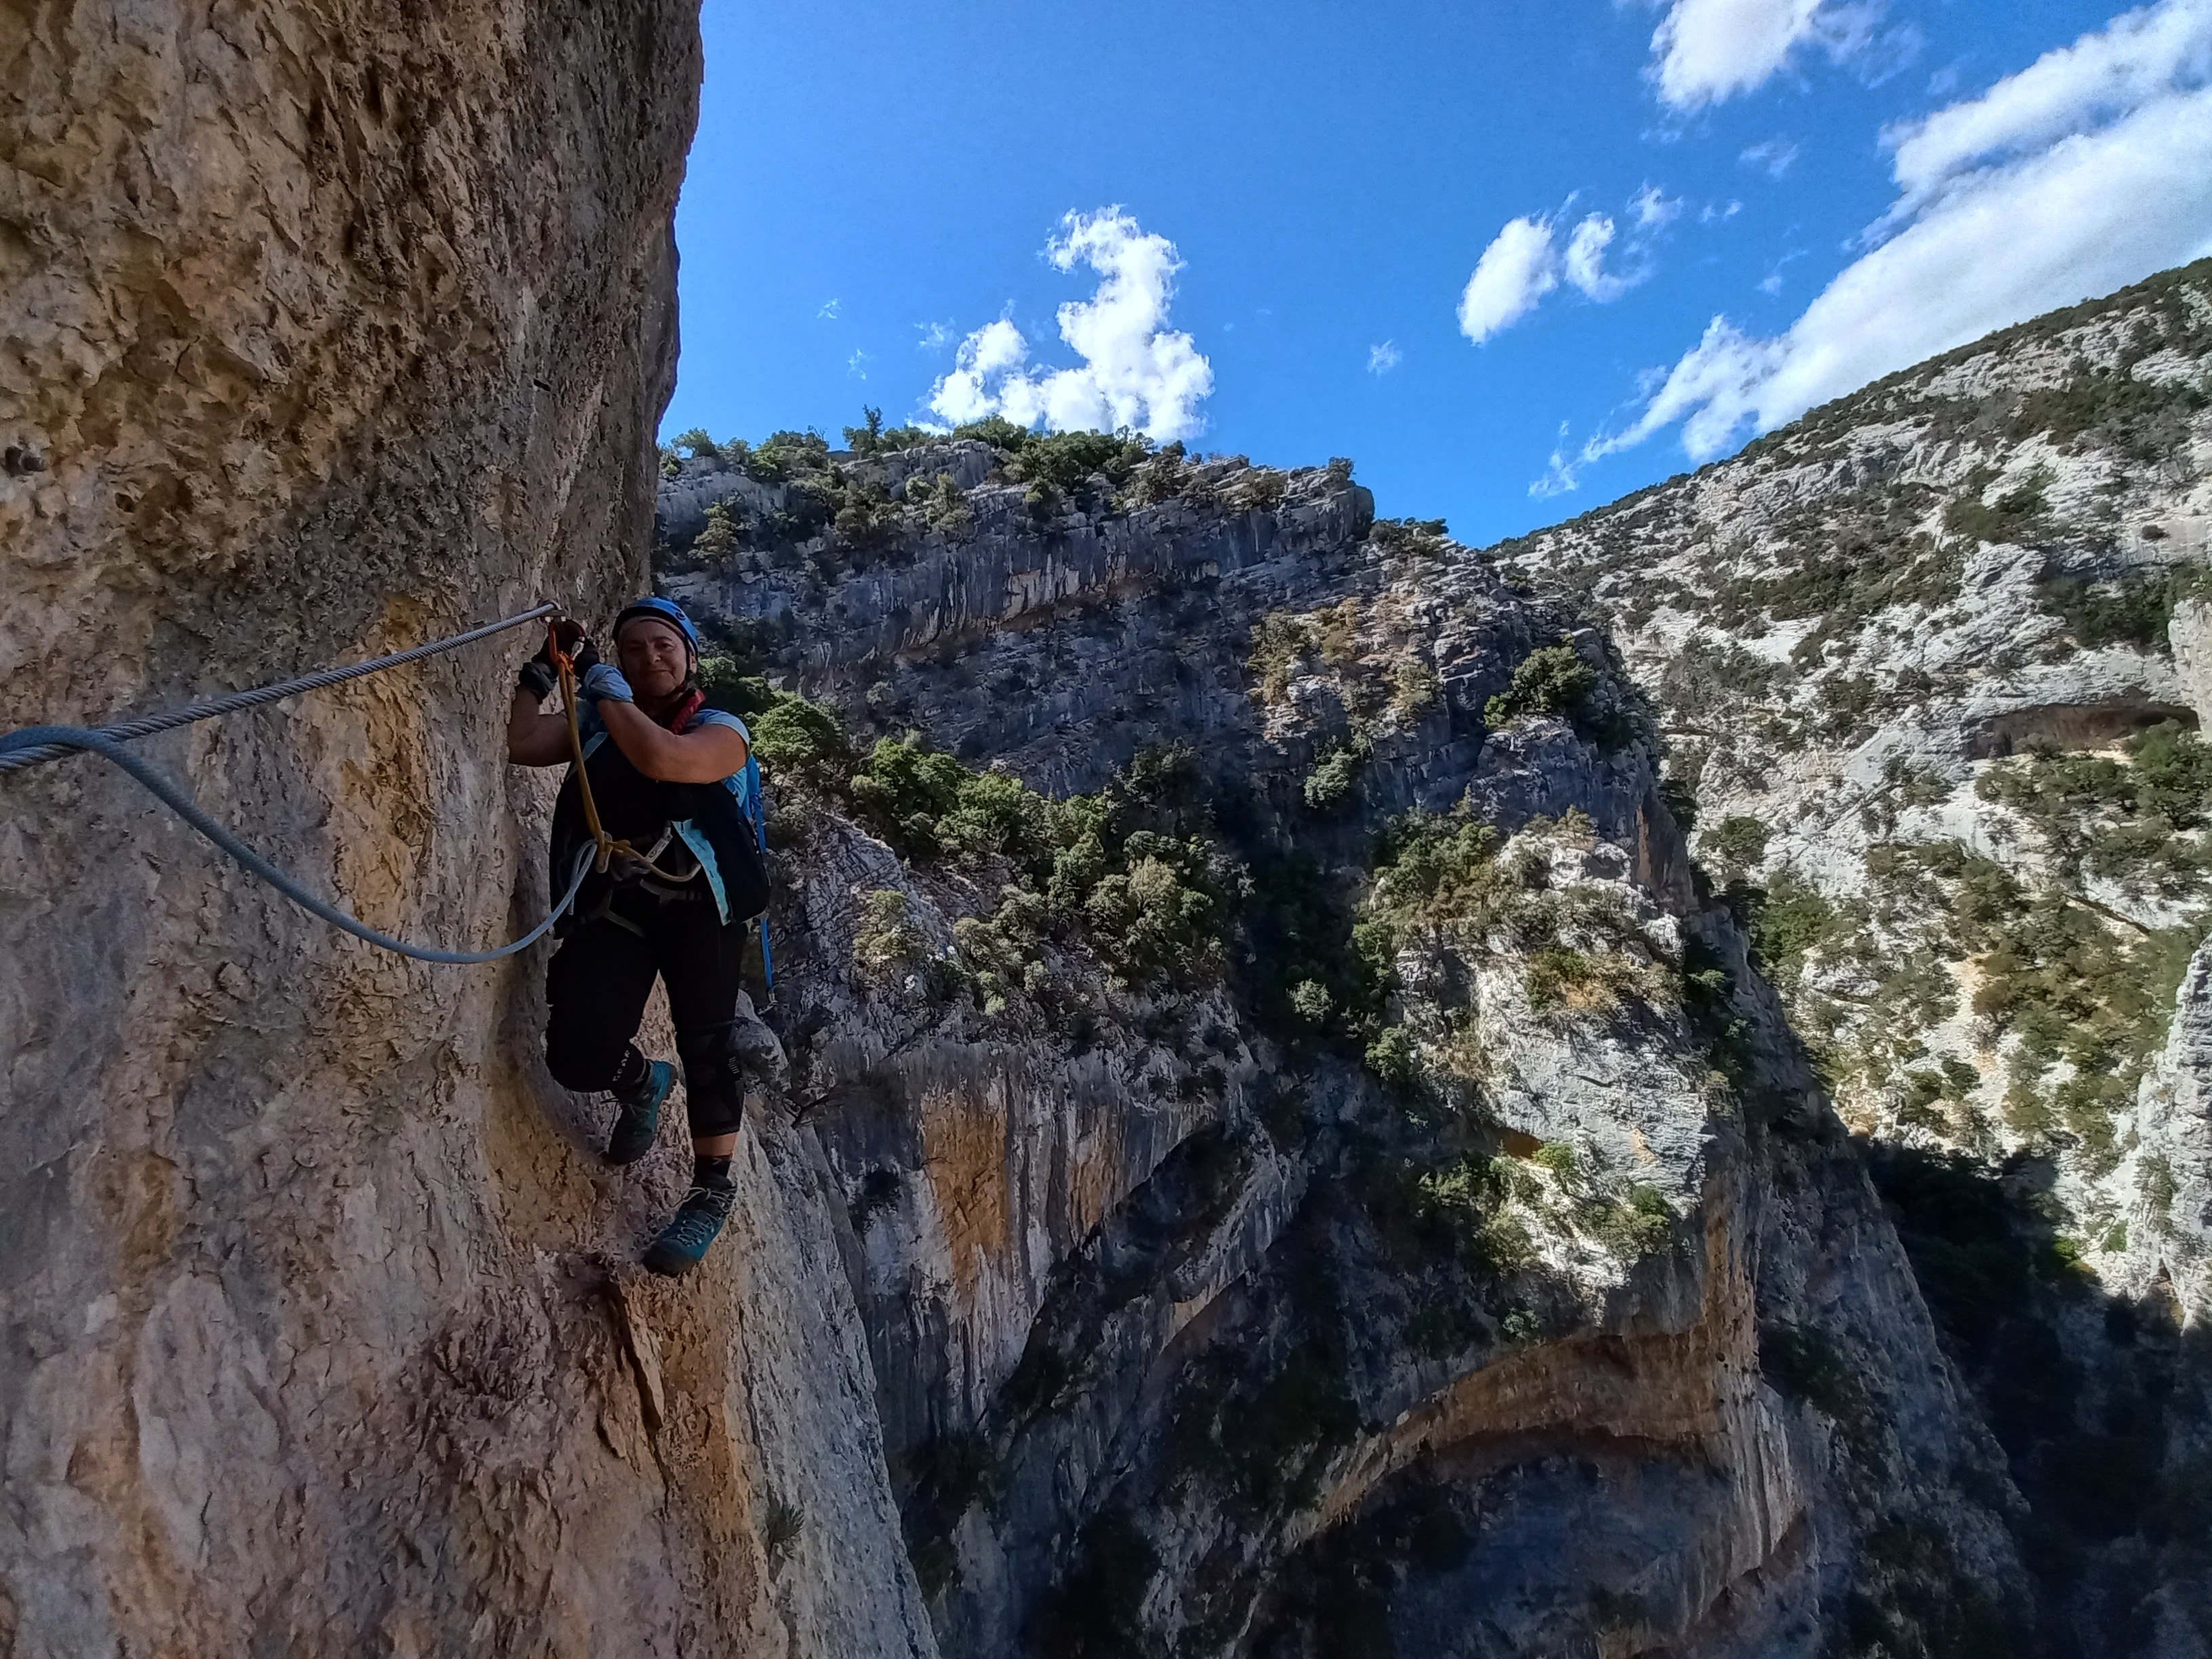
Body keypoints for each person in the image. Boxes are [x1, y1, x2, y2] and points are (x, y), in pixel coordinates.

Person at [508, 596, 783, 1275]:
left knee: (709, 1045)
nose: (649, 658)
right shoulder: (599, 719)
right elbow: (520, 744)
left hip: (701, 909)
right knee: (574, 1056)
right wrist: (541, 675)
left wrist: (604, 688)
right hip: (622, 904)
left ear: (689, 657)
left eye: (663, 646)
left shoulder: (723, 729)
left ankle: (711, 1190)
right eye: (633, 649)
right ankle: (641, 1083)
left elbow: (664, 758)